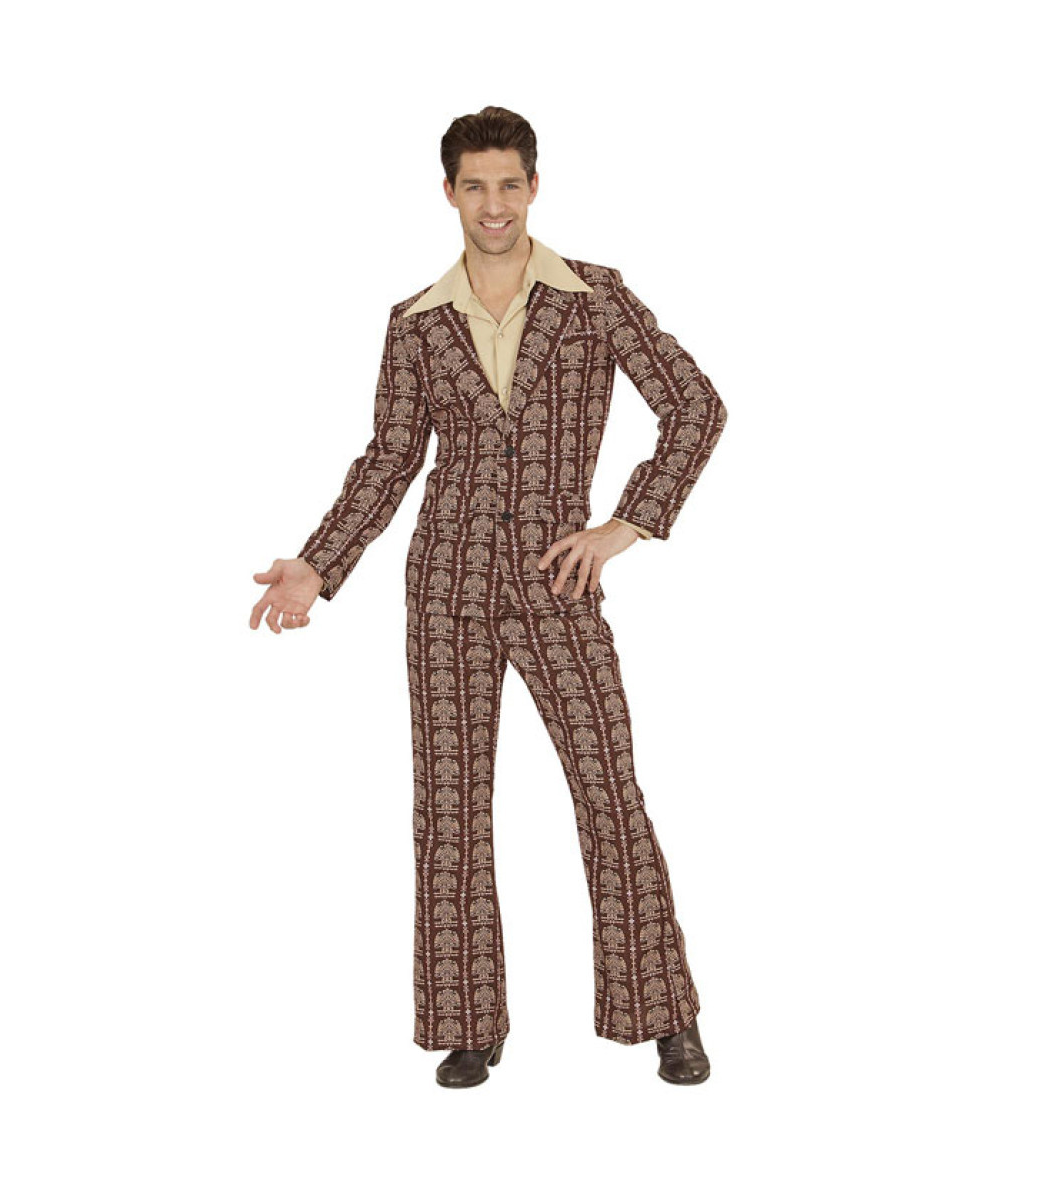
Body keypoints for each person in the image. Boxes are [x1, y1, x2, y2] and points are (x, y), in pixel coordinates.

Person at [250, 106, 727, 1087]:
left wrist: (625, 526)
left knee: (609, 794)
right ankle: (470, 1020)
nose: (494, 203)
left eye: (510, 183)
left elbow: (695, 407)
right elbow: (391, 458)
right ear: (449, 194)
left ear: (534, 188)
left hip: (559, 581)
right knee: (451, 810)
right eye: (475, 186)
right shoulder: (416, 323)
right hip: (447, 587)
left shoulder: (595, 296)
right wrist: (318, 564)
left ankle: (662, 1015)